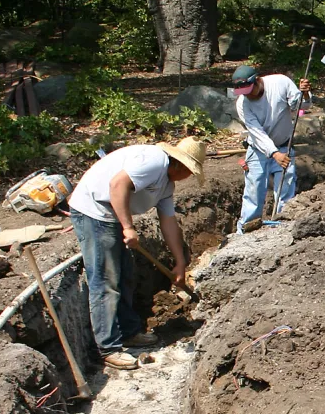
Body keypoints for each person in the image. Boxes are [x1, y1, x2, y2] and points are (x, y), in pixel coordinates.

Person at [67, 137, 207, 370]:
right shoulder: (153, 162)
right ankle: (108, 348)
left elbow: (169, 222)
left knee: (125, 275)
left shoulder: (166, 185)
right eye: (190, 173)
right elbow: (117, 185)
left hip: (111, 215)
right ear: (180, 165)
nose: (189, 178)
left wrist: (180, 262)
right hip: (94, 212)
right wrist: (128, 227)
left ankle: (129, 332)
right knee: (105, 281)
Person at [231, 64, 310, 232]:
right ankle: (246, 228)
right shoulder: (242, 104)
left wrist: (305, 94)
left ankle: (284, 224)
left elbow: (301, 106)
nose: (247, 95)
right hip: (259, 149)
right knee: (255, 188)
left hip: (284, 145)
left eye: (249, 90)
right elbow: (256, 132)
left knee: (286, 186)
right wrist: (274, 153)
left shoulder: (280, 82)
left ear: (258, 80)